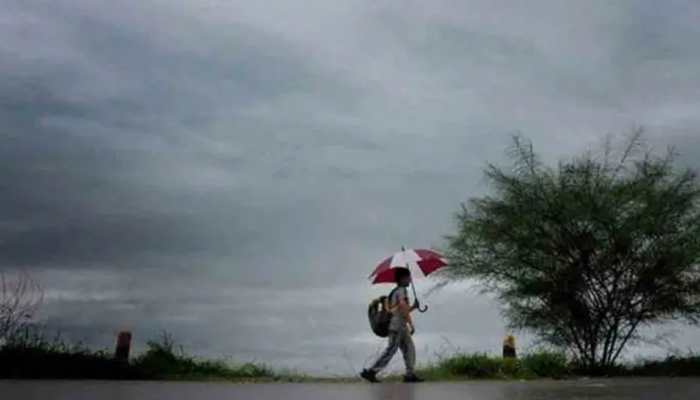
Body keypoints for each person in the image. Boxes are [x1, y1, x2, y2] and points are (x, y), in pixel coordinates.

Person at [361, 267, 424, 383]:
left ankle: (409, 374)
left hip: (400, 326)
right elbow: (402, 307)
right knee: (391, 350)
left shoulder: (395, 291)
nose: (410, 280)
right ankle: (371, 372)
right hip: (397, 326)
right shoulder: (401, 291)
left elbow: (398, 310)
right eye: (409, 277)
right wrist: (411, 323)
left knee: (409, 348)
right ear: (403, 278)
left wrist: (414, 307)